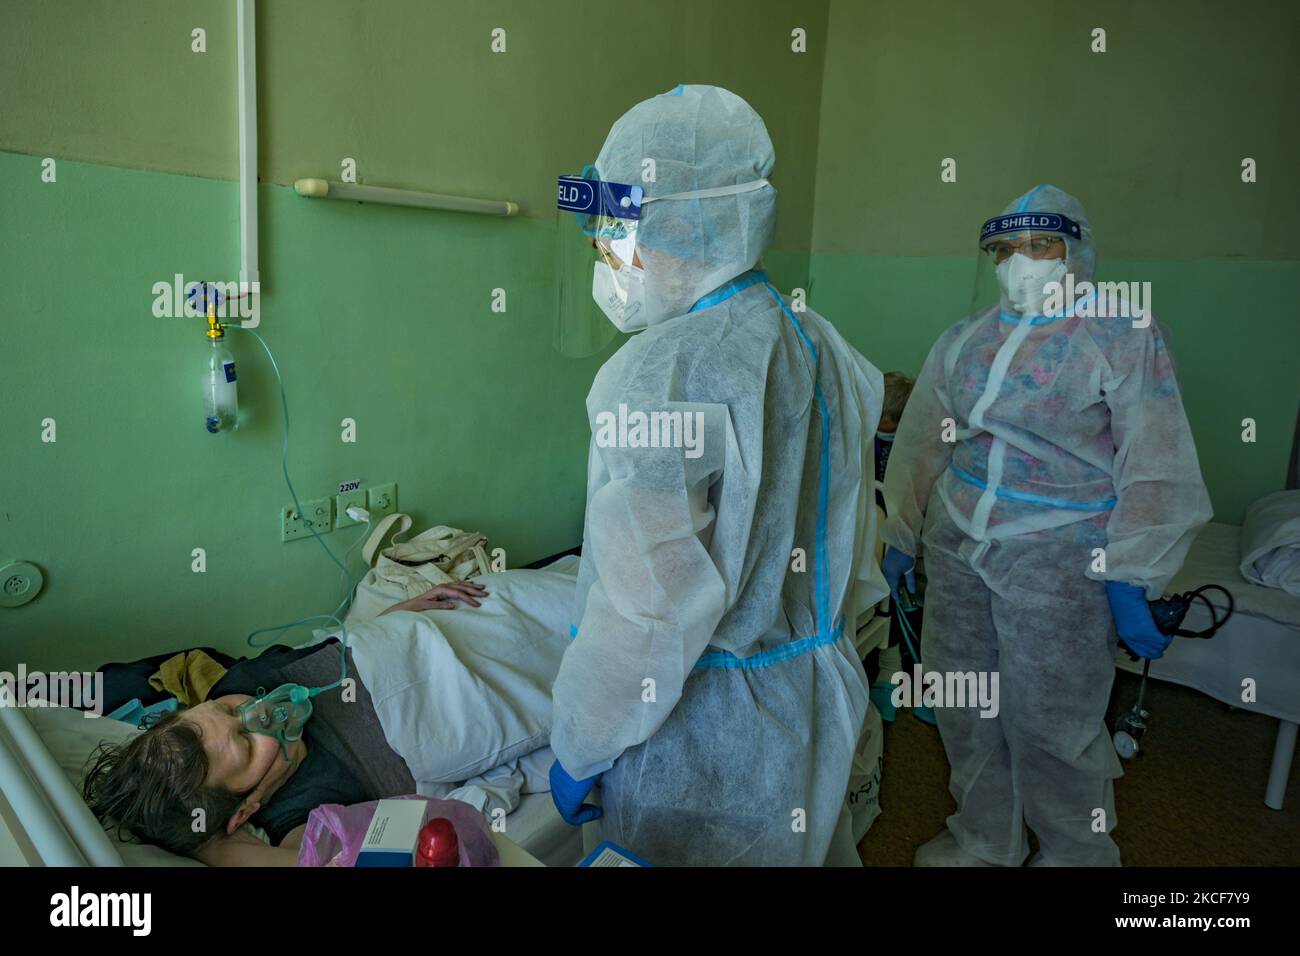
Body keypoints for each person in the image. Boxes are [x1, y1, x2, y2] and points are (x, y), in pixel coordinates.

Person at [548, 84, 887, 866]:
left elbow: (650, 606)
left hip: (701, 743)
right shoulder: (818, 344)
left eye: (616, 228)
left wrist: (581, 742)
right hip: (809, 701)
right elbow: (849, 539)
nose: (604, 250)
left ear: (677, 226)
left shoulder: (662, 372)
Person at [879, 184, 1212, 866]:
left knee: (1053, 724)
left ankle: (1073, 852)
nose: (1018, 263)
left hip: (1063, 562)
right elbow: (923, 443)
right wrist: (900, 531)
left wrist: (1131, 572)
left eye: (1039, 246)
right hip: (958, 541)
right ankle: (982, 839)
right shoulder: (966, 340)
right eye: (1004, 250)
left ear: (1077, 252)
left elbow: (1155, 460)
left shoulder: (1123, 336)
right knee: (964, 706)